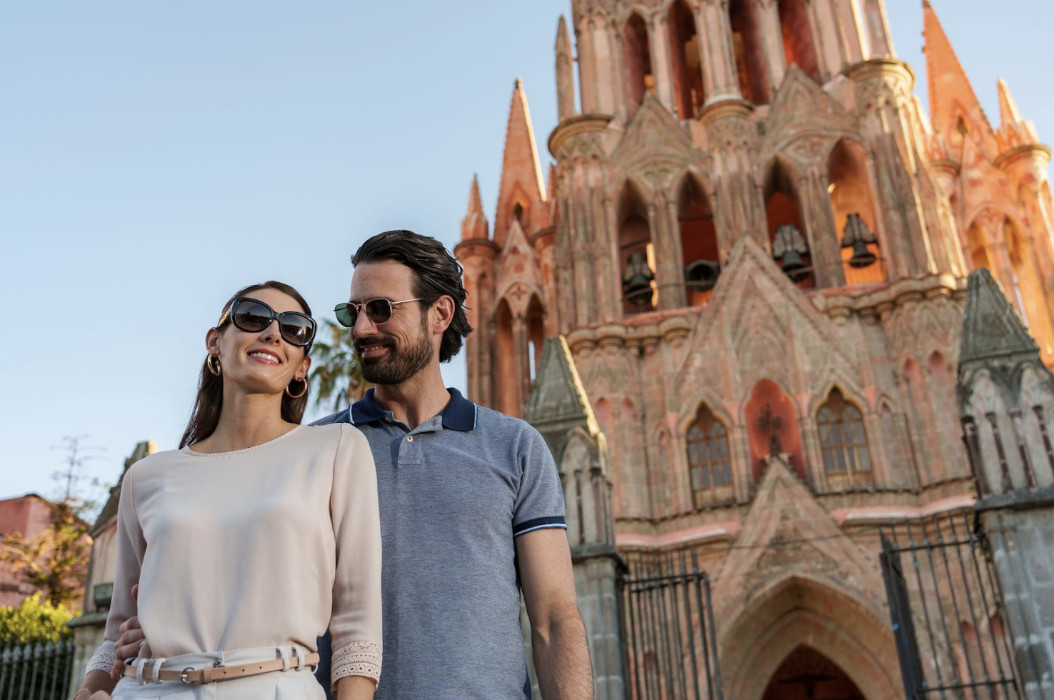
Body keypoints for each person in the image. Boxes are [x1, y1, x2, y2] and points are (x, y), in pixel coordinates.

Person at [112, 233, 594, 698]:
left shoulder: (516, 447)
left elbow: (553, 618)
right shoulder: (313, 452)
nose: (362, 329)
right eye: (353, 312)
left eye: (381, 310)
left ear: (439, 314)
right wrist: (153, 632)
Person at [73, 282, 382, 700]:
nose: (274, 333)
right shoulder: (146, 477)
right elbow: (117, 630)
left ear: (301, 367)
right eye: (253, 317)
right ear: (215, 343)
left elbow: (357, 623)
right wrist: (89, 690)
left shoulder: (336, 449)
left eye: (294, 328)